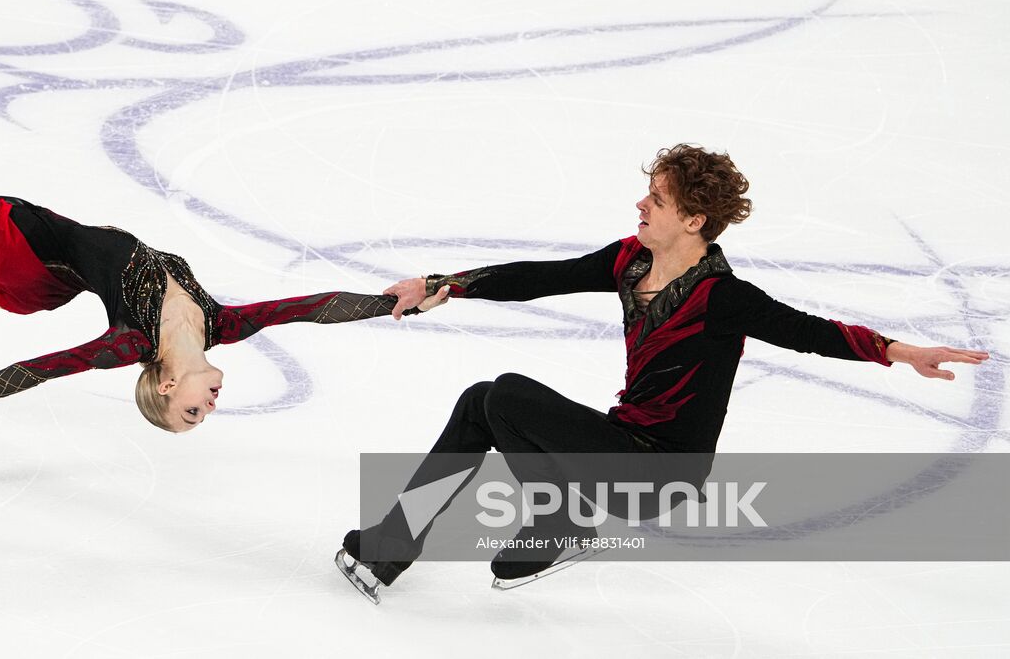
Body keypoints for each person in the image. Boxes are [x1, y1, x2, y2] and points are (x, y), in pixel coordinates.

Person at [337, 143, 989, 602]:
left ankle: (399, 542)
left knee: (496, 396)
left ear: (694, 219)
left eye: (657, 198)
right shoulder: (629, 260)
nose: (641, 204)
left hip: (662, 469)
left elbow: (811, 332)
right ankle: (558, 523)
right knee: (491, 401)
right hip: (618, 443)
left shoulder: (723, 297)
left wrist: (903, 351)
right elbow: (540, 278)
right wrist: (442, 282)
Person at [0, 72, 449, 443]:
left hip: (33, 246)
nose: (210, 405)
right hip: (39, 282)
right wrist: (396, 301)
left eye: (192, 413)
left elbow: (32, 372)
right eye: (205, 412)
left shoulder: (130, 341)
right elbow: (314, 308)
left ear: (163, 384)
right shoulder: (225, 324)